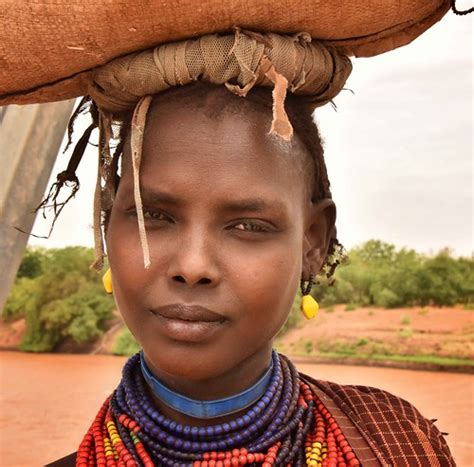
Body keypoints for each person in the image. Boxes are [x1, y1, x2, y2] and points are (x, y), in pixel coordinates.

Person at [44, 32, 454, 467]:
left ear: (313, 241)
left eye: (248, 226)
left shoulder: (396, 445)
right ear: (109, 225)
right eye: (154, 216)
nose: (192, 265)